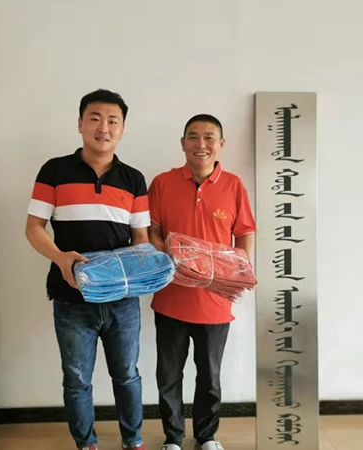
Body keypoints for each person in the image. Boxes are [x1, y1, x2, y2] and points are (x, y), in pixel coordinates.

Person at [25, 89, 149, 450]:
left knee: (127, 375)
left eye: (113, 121)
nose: (103, 128)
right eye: (95, 118)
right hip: (71, 297)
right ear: (80, 123)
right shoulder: (54, 171)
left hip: (122, 300)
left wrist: (149, 269)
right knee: (77, 379)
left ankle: (133, 441)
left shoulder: (133, 179)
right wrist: (61, 257)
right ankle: (86, 444)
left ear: (123, 129)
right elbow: (33, 228)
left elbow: (141, 239)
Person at [148, 115, 256, 450]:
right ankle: (173, 438)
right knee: (168, 375)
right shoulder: (162, 183)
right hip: (171, 297)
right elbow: (152, 231)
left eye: (209, 137)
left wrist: (236, 269)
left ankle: (207, 436)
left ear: (221, 145)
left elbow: (245, 232)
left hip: (215, 301)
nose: (201, 144)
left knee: (209, 375)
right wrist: (171, 258)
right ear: (183, 143)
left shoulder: (233, 185)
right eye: (193, 137)